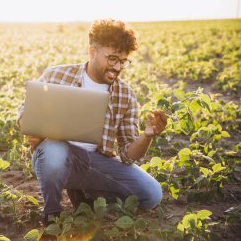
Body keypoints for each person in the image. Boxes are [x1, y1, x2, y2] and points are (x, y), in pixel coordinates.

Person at [17, 19, 167, 228]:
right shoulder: (57, 75)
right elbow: (25, 112)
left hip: (95, 161)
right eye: (112, 58)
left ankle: (87, 195)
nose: (117, 67)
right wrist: (31, 127)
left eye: (123, 61)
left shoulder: (125, 94)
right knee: (54, 151)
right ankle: (52, 213)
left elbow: (127, 154)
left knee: (151, 194)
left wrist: (147, 135)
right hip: (54, 155)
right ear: (92, 51)